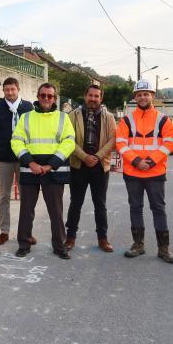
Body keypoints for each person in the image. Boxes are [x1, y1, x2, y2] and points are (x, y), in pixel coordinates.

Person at [115, 78, 173, 263]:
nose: (143, 97)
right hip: (133, 172)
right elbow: (120, 142)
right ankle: (138, 245)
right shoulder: (126, 120)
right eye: (139, 94)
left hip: (155, 173)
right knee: (135, 208)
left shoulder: (163, 119)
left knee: (158, 209)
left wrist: (150, 161)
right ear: (135, 97)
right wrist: (136, 161)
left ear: (152, 96)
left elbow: (169, 143)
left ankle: (164, 249)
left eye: (146, 94)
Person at [10, 82, 76, 259]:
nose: (46, 98)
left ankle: (59, 246)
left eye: (50, 96)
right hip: (30, 169)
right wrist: (30, 163)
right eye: (43, 95)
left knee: (56, 211)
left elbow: (69, 142)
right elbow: (16, 141)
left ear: (55, 98)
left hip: (54, 170)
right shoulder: (26, 117)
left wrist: (51, 165)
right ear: (38, 96)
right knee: (26, 210)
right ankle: (24, 244)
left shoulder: (63, 117)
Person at [65, 84, 117, 252]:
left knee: (100, 204)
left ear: (101, 99)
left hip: (100, 166)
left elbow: (113, 139)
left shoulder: (109, 117)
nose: (93, 99)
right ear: (85, 96)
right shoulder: (72, 116)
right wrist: (84, 156)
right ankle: (70, 237)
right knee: (76, 203)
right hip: (79, 165)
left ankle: (103, 239)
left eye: (97, 96)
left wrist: (97, 157)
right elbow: (68, 139)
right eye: (91, 95)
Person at [0, 77, 35, 246]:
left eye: (13, 89)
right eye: (7, 90)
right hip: (4, 159)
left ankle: (26, 232)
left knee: (26, 197)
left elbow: (33, 130)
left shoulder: (28, 107)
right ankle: (4, 232)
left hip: (24, 159)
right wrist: (0, 147)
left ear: (18, 89)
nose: (10, 93)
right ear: (3, 91)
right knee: (4, 196)